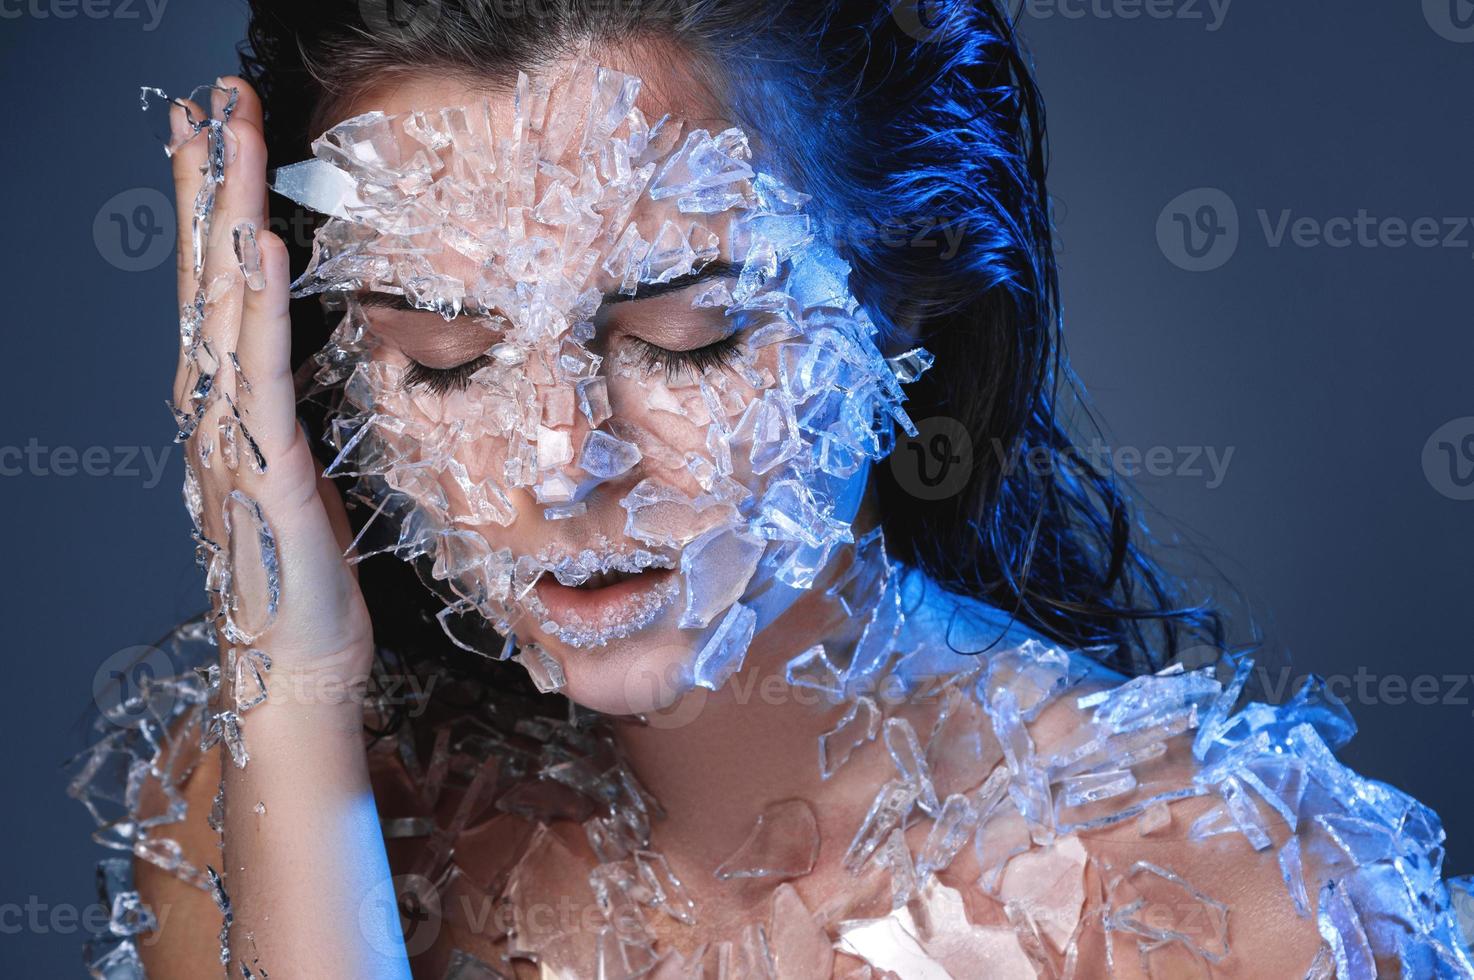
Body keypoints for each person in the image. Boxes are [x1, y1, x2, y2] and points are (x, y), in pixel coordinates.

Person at [68, 2, 1473, 977]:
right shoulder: (261, 804)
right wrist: (290, 691)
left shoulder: (1236, 900)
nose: (560, 466)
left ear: (902, 297)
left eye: (689, 339)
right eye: (442, 362)